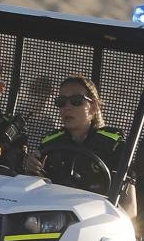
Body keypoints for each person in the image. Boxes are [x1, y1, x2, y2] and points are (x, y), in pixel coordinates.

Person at [35, 76, 134, 212]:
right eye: (61, 102)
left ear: (93, 108)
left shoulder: (113, 144)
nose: (67, 107)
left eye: (76, 101)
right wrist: (31, 167)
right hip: (50, 216)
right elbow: (33, 190)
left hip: (96, 220)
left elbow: (130, 207)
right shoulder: (50, 143)